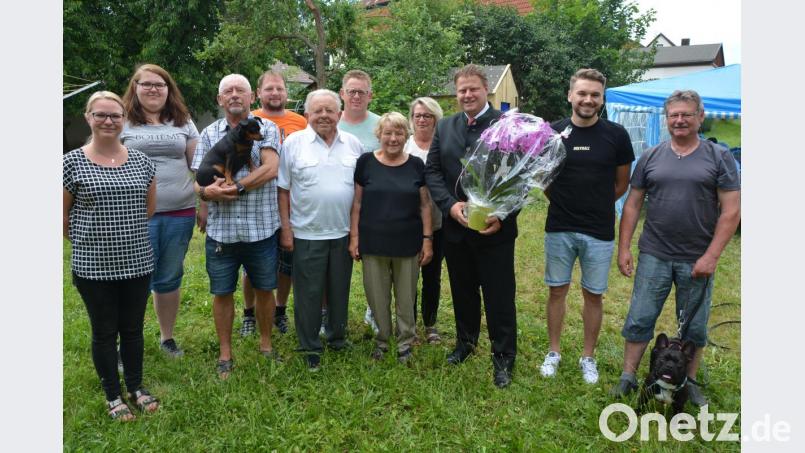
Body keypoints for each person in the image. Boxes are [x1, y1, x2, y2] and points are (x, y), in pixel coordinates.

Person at [610, 89, 741, 406]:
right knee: (640, 317)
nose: (679, 120)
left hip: (697, 258)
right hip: (654, 253)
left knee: (694, 327)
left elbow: (732, 210)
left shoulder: (719, 157)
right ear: (666, 119)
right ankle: (629, 375)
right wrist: (624, 247)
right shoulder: (652, 156)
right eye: (674, 115)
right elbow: (633, 205)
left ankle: (689, 381)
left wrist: (711, 256)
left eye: (686, 114)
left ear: (700, 116)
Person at [63, 91, 159, 421]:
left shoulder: (143, 161)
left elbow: (148, 209)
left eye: (115, 115)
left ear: (124, 119)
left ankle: (135, 386)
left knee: (132, 329)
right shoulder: (70, 162)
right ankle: (112, 395)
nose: (108, 121)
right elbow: (62, 218)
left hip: (137, 261)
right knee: (104, 332)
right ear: (88, 117)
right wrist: (94, 243)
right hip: (93, 267)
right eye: (100, 115)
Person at [424, 64, 519, 388]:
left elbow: (521, 178)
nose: (467, 94)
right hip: (456, 229)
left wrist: (502, 214)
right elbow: (433, 172)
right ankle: (465, 342)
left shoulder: (507, 127)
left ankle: (504, 357)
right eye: (462, 90)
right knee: (463, 291)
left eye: (473, 89)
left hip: (495, 231)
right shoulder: (445, 127)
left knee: (499, 295)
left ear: (486, 89)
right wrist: (449, 206)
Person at [538, 69, 635, 384]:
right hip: (560, 227)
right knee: (557, 290)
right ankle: (553, 352)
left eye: (595, 95)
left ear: (602, 98)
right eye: (582, 93)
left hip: (599, 230)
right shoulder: (552, 133)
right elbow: (545, 180)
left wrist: (595, 203)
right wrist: (566, 201)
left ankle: (588, 357)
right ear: (570, 95)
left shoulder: (616, 135)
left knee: (594, 295)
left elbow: (622, 183)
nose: (588, 100)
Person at [191, 74, 282, 379]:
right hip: (222, 231)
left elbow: (270, 169)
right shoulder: (208, 134)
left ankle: (266, 344)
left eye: (240, 90)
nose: (233, 95)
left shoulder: (267, 128)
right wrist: (207, 193)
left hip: (261, 227)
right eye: (227, 91)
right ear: (220, 100)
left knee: (265, 289)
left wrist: (236, 187)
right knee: (222, 292)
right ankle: (225, 353)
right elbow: (199, 180)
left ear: (251, 97)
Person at [278, 89, 365, 371]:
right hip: (306, 233)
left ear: (340, 114)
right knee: (308, 293)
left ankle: (337, 337)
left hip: (341, 233)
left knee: (339, 290)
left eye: (330, 110)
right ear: (307, 115)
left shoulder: (353, 144)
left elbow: (360, 193)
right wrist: (286, 229)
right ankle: (309, 345)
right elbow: (283, 190)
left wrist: (356, 233)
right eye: (318, 111)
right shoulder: (293, 144)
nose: (324, 116)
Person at [120, 63, 199, 358]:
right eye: (147, 84)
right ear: (135, 88)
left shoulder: (183, 120)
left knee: (168, 276)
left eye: (160, 84)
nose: (154, 89)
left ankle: (167, 338)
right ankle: (126, 342)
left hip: (180, 212)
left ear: (169, 90)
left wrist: (210, 199)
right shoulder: (121, 120)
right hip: (133, 216)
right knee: (131, 279)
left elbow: (199, 166)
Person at [349, 112, 433, 363]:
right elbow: (356, 203)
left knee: (406, 296)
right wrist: (354, 237)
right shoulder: (366, 162)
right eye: (388, 133)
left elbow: (425, 205)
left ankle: (406, 341)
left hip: (408, 242)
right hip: (373, 241)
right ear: (379, 135)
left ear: (406, 135)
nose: (393, 138)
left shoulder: (417, 165)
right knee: (377, 295)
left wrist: (427, 239)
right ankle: (382, 340)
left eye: (398, 133)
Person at [237, 70, 308, 337]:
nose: (275, 93)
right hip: (257, 202)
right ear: (259, 93)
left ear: (286, 93)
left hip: (292, 201)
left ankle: (280, 310)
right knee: (253, 263)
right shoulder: (249, 120)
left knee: (286, 262)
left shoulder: (300, 121)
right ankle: (249, 312)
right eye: (269, 89)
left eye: (279, 89)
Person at [338, 69, 382, 334]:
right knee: (334, 265)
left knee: (374, 263)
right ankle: (331, 313)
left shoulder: (379, 125)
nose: (356, 96)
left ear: (370, 96)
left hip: (372, 207)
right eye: (351, 91)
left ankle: (374, 309)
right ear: (342, 93)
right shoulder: (330, 120)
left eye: (361, 92)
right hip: (336, 205)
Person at [404, 97, 445, 345]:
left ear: (436, 119)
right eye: (418, 115)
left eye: (427, 115)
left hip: (439, 221)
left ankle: (430, 324)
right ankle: (408, 325)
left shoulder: (443, 147)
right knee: (408, 276)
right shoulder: (404, 145)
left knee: (432, 275)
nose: (422, 119)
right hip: (408, 220)